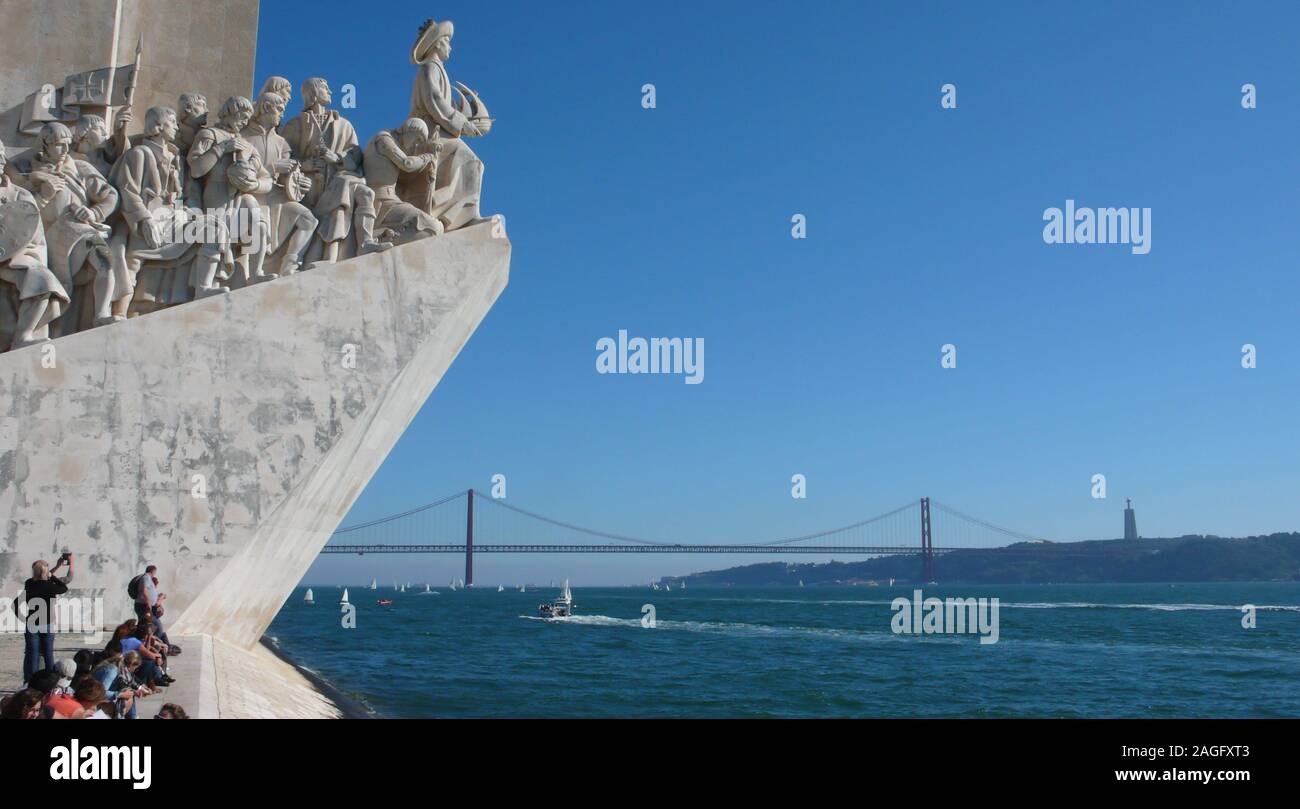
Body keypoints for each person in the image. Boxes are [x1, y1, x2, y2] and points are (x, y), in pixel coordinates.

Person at [15, 554, 73, 681]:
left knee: (33, 655)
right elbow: (64, 588)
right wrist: (54, 576)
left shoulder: (29, 584)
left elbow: (16, 603)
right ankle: (50, 681)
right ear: (46, 572)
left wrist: (22, 618)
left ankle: (31, 682)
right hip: (47, 624)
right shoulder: (50, 586)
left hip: (32, 623)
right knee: (48, 655)